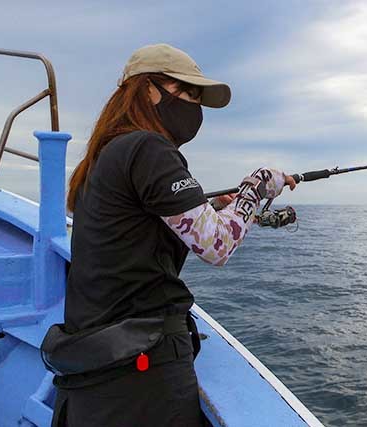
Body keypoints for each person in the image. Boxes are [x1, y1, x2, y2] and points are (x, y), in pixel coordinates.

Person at [49, 43, 297, 426]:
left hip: (96, 372)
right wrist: (260, 185)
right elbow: (217, 246)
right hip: (138, 376)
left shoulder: (106, 155)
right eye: (188, 92)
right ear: (148, 90)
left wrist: (210, 210)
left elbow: (130, 229)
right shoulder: (148, 148)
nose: (195, 107)